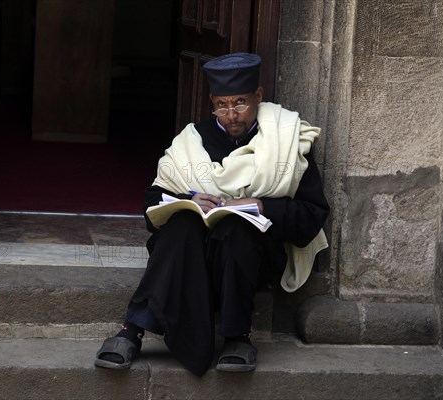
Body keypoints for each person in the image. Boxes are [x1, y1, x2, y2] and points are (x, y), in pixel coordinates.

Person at [94, 53, 329, 376]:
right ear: (211, 102)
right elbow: (152, 206)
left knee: (236, 229)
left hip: (248, 259)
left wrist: (262, 206)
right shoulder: (193, 140)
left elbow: (312, 215)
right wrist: (190, 197)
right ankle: (132, 330)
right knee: (181, 225)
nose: (231, 115)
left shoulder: (285, 139)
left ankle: (237, 337)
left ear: (258, 97)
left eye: (240, 103)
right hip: (190, 257)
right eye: (221, 105)